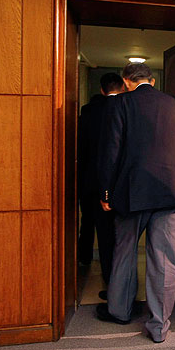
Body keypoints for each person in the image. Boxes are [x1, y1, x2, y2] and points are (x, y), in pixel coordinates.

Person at [96, 63, 175, 344]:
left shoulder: (120, 103)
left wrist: (106, 193)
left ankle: (119, 311)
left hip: (131, 192)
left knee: (124, 251)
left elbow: (111, 151)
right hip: (172, 191)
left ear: (127, 81)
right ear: (152, 80)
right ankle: (159, 326)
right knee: (165, 259)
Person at [77, 73, 124, 299]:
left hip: (91, 179)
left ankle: (85, 259)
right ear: (122, 87)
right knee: (116, 235)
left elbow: (82, 148)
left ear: (102, 89)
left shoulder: (88, 111)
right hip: (119, 182)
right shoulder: (126, 107)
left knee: (91, 224)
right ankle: (117, 281)